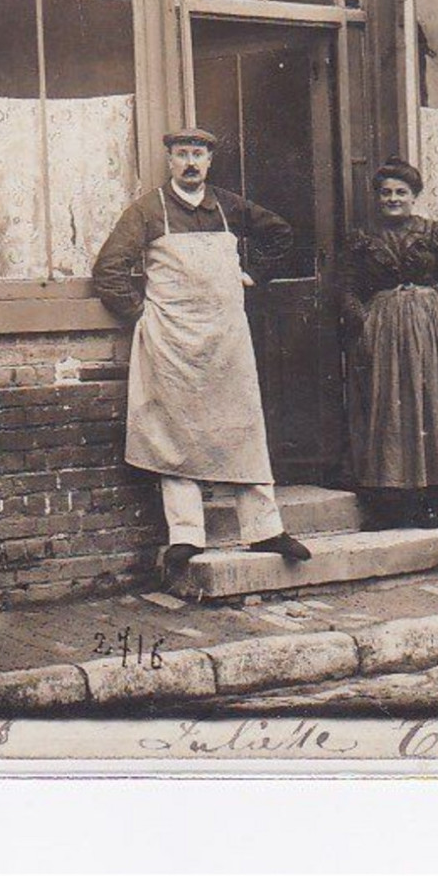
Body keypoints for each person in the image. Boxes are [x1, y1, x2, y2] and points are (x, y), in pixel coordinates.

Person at [93, 127, 313, 585]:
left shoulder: (229, 206)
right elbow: (109, 270)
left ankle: (265, 529)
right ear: (169, 160)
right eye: (181, 155)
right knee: (176, 433)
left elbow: (281, 234)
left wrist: (254, 276)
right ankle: (187, 535)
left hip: (225, 340)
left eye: (198, 155)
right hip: (171, 342)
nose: (190, 163)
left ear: (209, 162)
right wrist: (143, 317)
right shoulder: (147, 211)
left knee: (242, 425)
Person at [340, 160, 438, 530]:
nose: (393, 199)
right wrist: (362, 323)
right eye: (386, 193)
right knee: (387, 412)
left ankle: (429, 502)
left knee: (429, 408)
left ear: (414, 197)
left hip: (428, 329)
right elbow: (347, 288)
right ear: (377, 197)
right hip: (382, 329)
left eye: (401, 193)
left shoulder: (435, 234)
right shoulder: (362, 238)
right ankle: (388, 504)